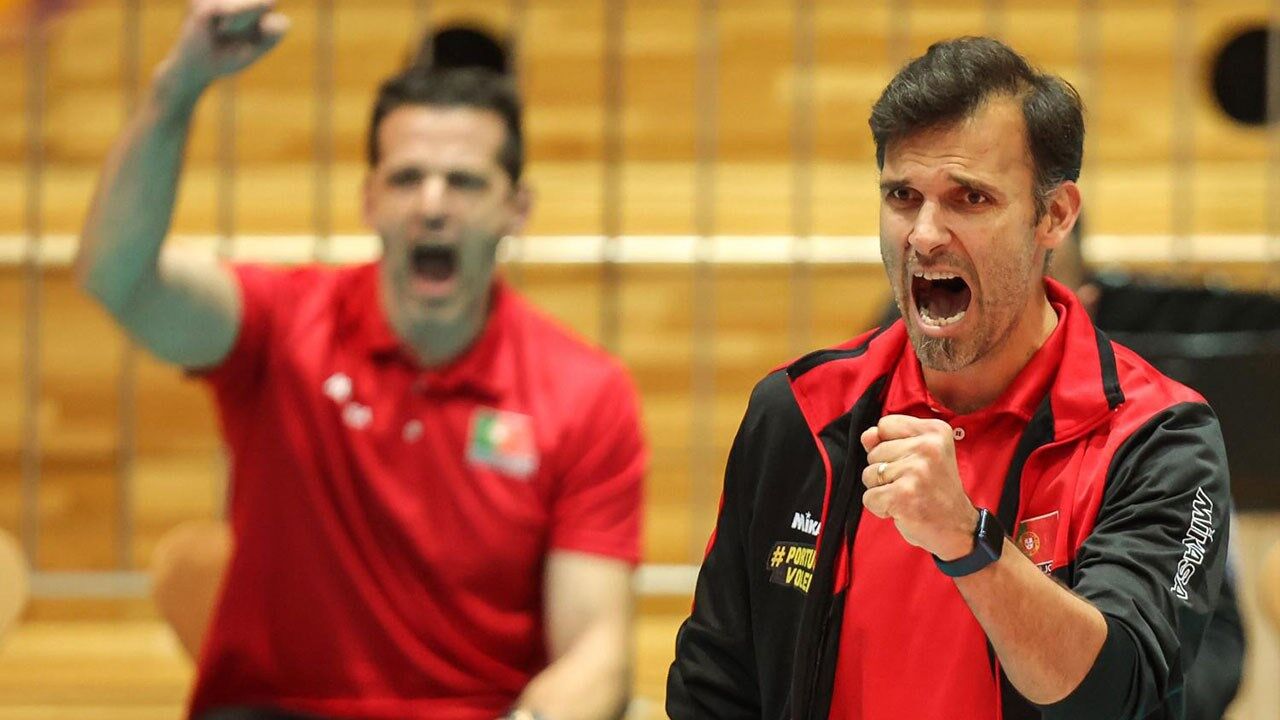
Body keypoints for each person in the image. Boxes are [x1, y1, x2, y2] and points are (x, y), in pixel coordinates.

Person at [75, 2, 646, 719]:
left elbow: (598, 648)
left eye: (465, 182)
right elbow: (118, 277)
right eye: (406, 179)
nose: (432, 205)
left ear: (518, 209)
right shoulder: (280, 327)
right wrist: (177, 88)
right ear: (369, 199)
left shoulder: (586, 390)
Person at [667, 36, 1231, 720]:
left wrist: (968, 540)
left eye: (970, 198)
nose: (925, 234)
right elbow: (715, 686)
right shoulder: (801, 411)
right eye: (903, 196)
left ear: (1054, 215)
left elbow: (1119, 693)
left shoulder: (1159, 437)